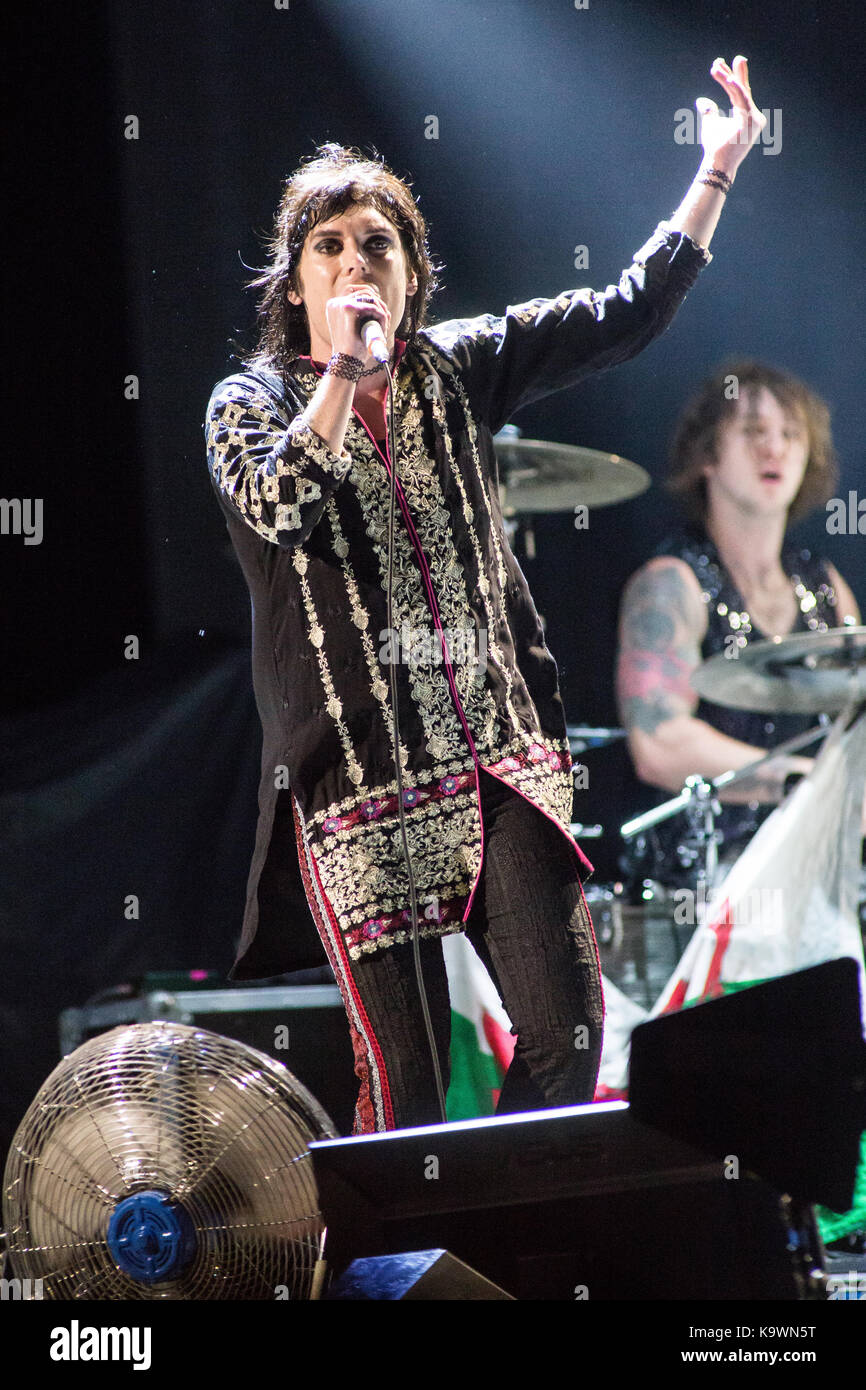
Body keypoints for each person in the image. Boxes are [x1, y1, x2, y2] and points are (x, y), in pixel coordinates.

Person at [206, 57, 767, 1133]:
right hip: (361, 788)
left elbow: (625, 308)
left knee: (565, 1039)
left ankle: (504, 1251)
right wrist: (339, 373)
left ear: (414, 272)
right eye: (329, 249)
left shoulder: (461, 368)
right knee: (409, 1097)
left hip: (494, 765)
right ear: (296, 285)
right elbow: (281, 499)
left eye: (378, 244)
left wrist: (716, 168)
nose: (355, 263)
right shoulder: (249, 402)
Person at [616, 359, 861, 889]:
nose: (775, 448)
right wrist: (801, 781)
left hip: (817, 866)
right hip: (705, 881)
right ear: (708, 455)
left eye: (791, 435)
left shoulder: (826, 585)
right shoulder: (672, 583)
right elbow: (659, 745)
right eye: (754, 432)